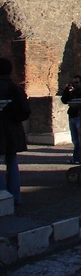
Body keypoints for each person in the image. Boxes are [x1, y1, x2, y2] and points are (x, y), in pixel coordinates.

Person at [0, 57, 31, 205]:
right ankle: (15, 197)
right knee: (12, 161)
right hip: (13, 130)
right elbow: (26, 111)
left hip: (2, 130)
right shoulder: (15, 88)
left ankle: (3, 196)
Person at [61, 75, 81, 164]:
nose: (75, 84)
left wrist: (75, 91)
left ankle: (78, 158)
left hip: (79, 116)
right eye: (73, 83)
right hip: (72, 117)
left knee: (80, 140)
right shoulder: (72, 92)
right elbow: (64, 100)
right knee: (75, 140)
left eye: (77, 82)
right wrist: (66, 90)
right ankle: (77, 158)